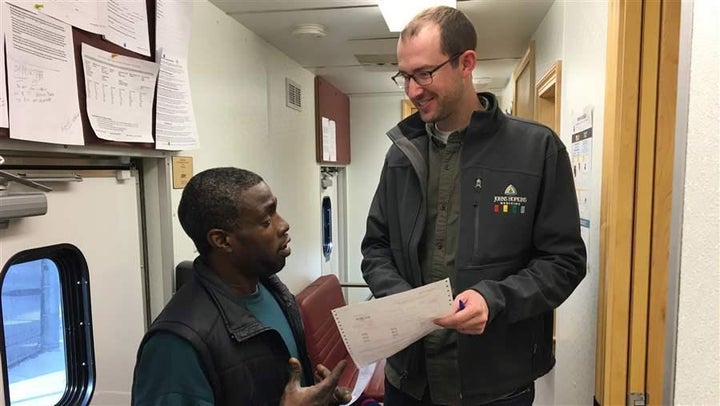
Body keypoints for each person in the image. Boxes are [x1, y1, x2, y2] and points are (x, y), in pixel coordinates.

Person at [361, 6, 587, 406]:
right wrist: (404, 302)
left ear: (466, 62)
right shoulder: (401, 154)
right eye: (405, 76)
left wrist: (494, 298)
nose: (413, 90)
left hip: (496, 385)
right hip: (411, 381)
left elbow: (564, 261)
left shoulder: (536, 149)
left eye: (425, 74)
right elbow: (376, 247)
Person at [132, 167, 350, 405]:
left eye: (276, 211)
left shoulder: (274, 292)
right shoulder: (176, 345)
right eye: (267, 220)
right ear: (222, 240)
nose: (283, 225)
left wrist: (319, 397)